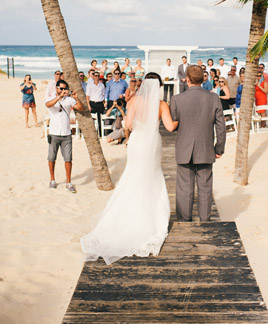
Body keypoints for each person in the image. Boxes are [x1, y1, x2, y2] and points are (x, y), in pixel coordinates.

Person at [81, 73, 178, 264]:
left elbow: (127, 124)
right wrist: (178, 120)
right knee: (151, 177)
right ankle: (147, 218)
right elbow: (170, 127)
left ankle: (124, 217)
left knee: (132, 176)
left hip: (137, 142)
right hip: (152, 144)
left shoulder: (134, 101)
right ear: (158, 87)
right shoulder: (161, 105)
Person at [169, 65, 225, 222]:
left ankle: (185, 221)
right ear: (203, 79)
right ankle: (205, 221)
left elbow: (173, 126)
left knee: (184, 189)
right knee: (205, 188)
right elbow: (221, 126)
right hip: (206, 148)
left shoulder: (176, 99)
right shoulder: (213, 98)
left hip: (184, 148)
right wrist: (219, 148)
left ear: (187, 79)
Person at [46, 79, 85, 193]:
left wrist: (76, 97)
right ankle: (52, 180)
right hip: (54, 133)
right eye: (61, 88)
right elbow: (48, 105)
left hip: (66, 134)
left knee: (68, 159)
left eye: (64, 88)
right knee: (52, 158)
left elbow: (80, 108)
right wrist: (59, 97)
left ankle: (68, 182)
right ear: (57, 88)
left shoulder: (69, 100)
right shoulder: (51, 98)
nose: (63, 90)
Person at [85, 70, 106, 136]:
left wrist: (105, 102)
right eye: (95, 76)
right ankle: (92, 134)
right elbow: (87, 96)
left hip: (100, 103)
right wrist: (88, 105)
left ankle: (100, 134)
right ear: (93, 77)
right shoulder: (89, 85)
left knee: (100, 119)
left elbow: (103, 94)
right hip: (92, 103)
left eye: (98, 76)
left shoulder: (102, 85)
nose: (97, 77)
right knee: (92, 119)